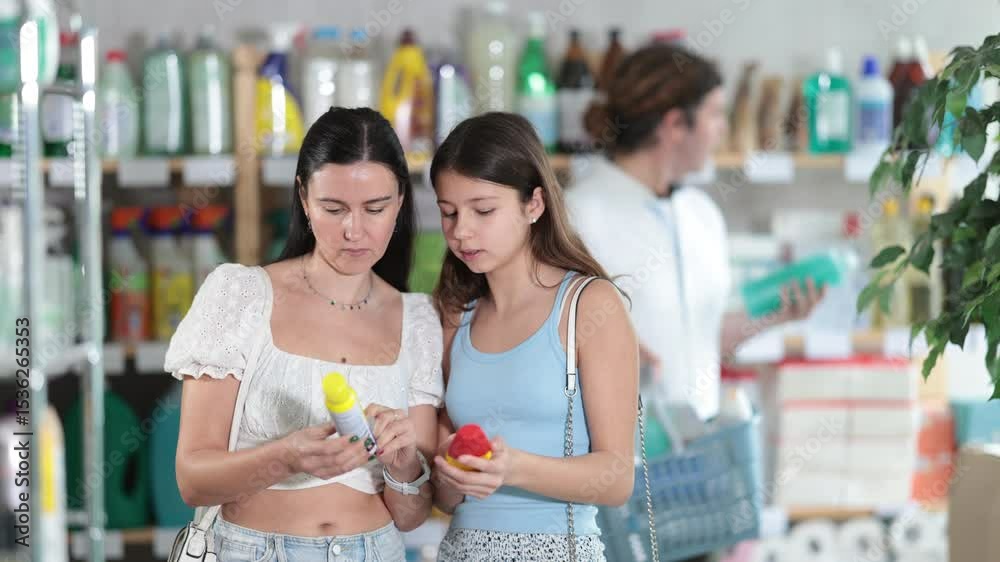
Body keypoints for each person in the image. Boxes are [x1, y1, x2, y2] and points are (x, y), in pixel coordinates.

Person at [566, 43, 825, 561]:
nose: (722, 129)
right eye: (714, 115)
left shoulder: (701, 215)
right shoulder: (580, 213)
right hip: (619, 482)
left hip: (701, 474)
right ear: (673, 125)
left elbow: (705, 342)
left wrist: (777, 314)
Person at [166, 107, 443, 562]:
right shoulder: (240, 294)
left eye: (375, 208)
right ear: (304, 198)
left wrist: (403, 464)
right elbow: (193, 480)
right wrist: (286, 457)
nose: (354, 230)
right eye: (334, 208)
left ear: (400, 203)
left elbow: (411, 515)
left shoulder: (418, 320)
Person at [428, 112, 640, 562]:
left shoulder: (589, 304)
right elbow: (446, 500)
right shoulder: (454, 313)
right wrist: (448, 472)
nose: (461, 231)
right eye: (448, 213)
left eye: (483, 210)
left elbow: (617, 478)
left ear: (534, 205)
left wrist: (513, 467)